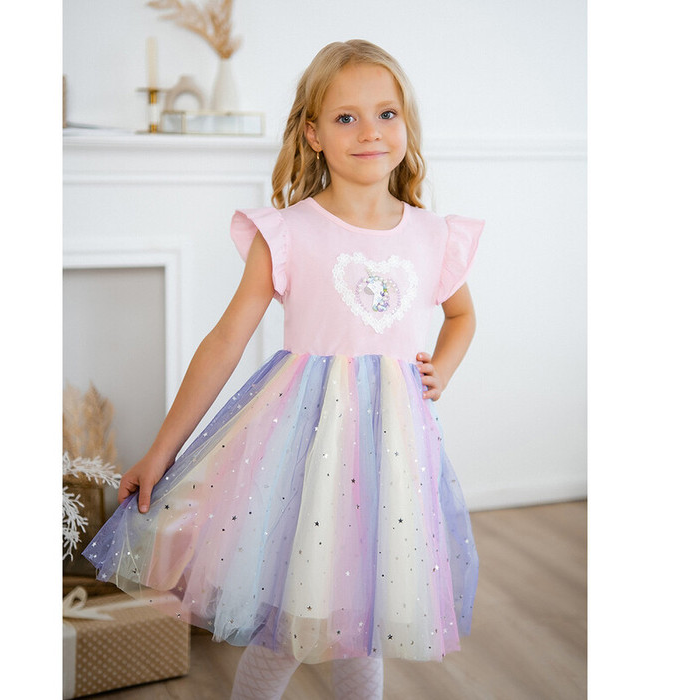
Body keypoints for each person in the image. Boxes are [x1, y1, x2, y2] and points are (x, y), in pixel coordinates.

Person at [84, 39, 483, 700]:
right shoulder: (290, 232)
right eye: (346, 117)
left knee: (364, 619)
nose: (370, 131)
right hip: (304, 452)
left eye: (386, 113)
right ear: (313, 133)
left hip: (392, 455)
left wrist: (442, 367)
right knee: (291, 623)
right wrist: (162, 449)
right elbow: (224, 342)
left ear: (406, 124)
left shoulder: (433, 235)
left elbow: (462, 316)